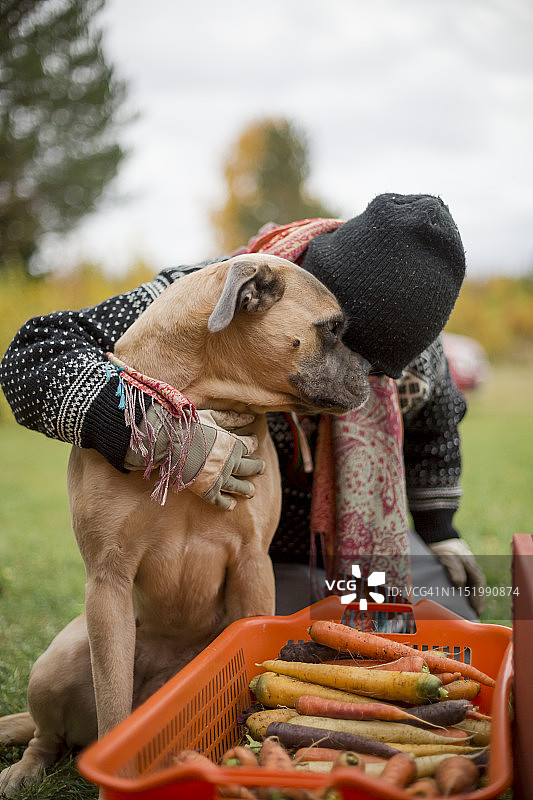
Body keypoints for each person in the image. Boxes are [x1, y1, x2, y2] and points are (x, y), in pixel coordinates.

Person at [0, 193, 486, 619]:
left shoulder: (420, 359)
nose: (359, 377)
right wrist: (159, 435)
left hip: (365, 549)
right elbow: (34, 357)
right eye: (339, 342)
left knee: (450, 625)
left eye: (376, 370)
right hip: (256, 562)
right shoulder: (203, 293)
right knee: (308, 652)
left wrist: (441, 531)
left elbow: (436, 431)